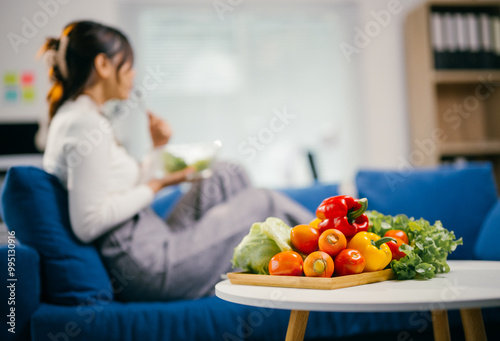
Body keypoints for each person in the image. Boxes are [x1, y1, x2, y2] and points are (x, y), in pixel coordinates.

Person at [41, 21, 314, 301]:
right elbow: (87, 223)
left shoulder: (82, 117)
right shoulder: (85, 125)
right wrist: (158, 184)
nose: (134, 74)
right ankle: (331, 250)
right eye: (128, 65)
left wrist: (158, 147)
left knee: (225, 173)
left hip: (151, 237)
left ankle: (261, 260)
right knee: (264, 201)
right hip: (148, 265)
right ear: (103, 65)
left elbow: (121, 186)